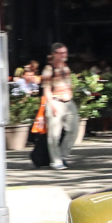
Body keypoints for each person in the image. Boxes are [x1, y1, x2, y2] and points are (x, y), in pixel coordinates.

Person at [41, 42, 79, 171]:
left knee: (74, 130)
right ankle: (56, 161)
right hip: (55, 101)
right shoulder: (48, 68)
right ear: (54, 54)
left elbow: (69, 83)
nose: (64, 55)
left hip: (68, 102)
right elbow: (46, 89)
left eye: (65, 52)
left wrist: (70, 93)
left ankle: (63, 155)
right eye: (61, 53)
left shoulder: (65, 67)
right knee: (54, 134)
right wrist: (52, 105)